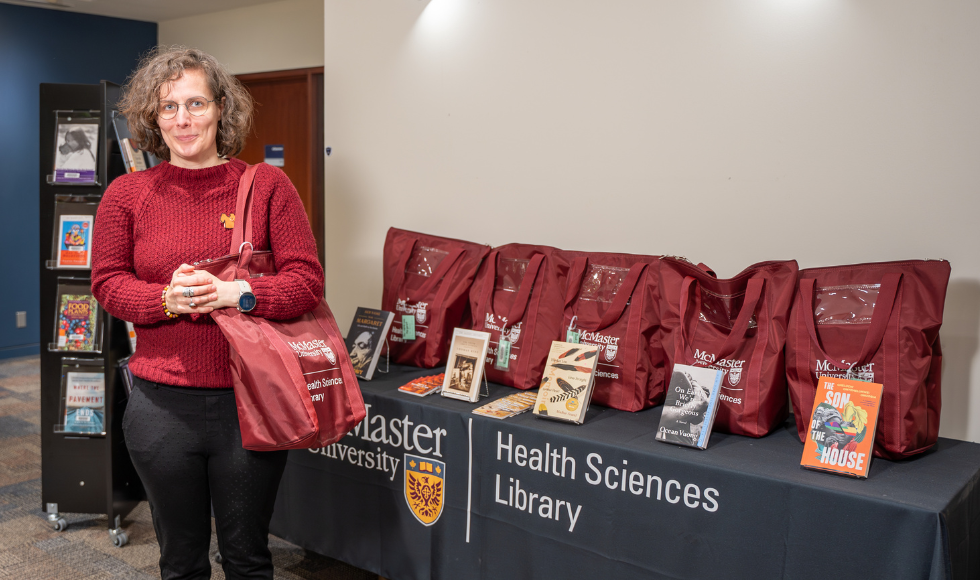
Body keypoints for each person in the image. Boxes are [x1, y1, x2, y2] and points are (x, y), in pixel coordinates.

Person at [91, 46, 323, 579]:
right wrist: (165, 300)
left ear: (222, 107)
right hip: (159, 407)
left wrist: (237, 295)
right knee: (180, 561)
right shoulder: (127, 194)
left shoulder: (266, 186)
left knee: (247, 557)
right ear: (152, 115)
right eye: (168, 106)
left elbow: (306, 282)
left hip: (250, 403)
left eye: (195, 103)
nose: (182, 118)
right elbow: (107, 283)